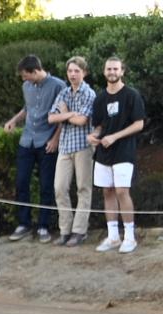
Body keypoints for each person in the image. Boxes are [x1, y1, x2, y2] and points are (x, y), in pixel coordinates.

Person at [3, 55, 65, 242]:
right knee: (21, 182)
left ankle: (44, 226)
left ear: (36, 71)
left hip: (47, 141)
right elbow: (27, 108)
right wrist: (13, 121)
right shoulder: (26, 87)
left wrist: (55, 139)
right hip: (27, 140)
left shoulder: (58, 85)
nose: (24, 79)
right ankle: (24, 223)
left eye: (25, 75)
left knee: (46, 185)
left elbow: (63, 115)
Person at [89, 56, 147, 254]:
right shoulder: (100, 98)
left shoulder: (131, 95)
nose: (112, 72)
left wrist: (115, 137)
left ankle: (129, 236)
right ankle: (113, 236)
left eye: (116, 69)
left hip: (124, 151)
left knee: (122, 191)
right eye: (109, 69)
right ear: (104, 72)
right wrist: (94, 136)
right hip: (103, 152)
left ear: (122, 71)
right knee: (107, 192)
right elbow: (99, 126)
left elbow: (139, 124)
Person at [47, 56, 98, 247]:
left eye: (77, 71)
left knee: (83, 189)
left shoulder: (89, 93)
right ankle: (65, 230)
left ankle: (79, 231)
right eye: (70, 71)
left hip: (83, 147)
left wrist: (64, 114)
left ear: (84, 73)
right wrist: (69, 113)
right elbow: (51, 118)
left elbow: (82, 120)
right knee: (59, 188)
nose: (73, 74)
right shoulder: (64, 92)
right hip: (65, 147)